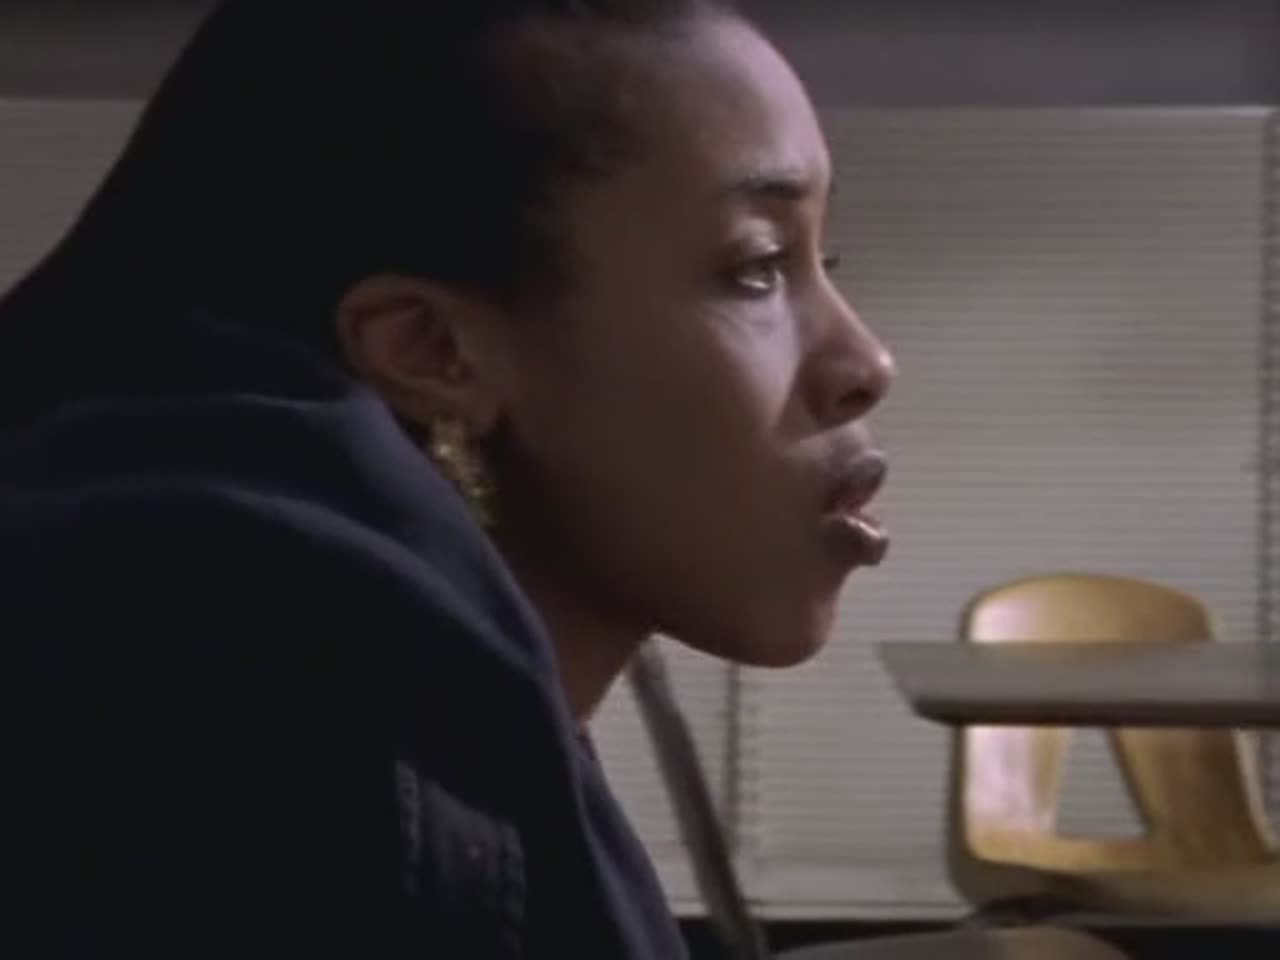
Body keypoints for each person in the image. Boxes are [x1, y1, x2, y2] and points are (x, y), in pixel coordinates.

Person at [0, 0, 895, 956]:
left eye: (823, 258)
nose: (867, 363)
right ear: (433, 349)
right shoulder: (270, 790)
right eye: (758, 267)